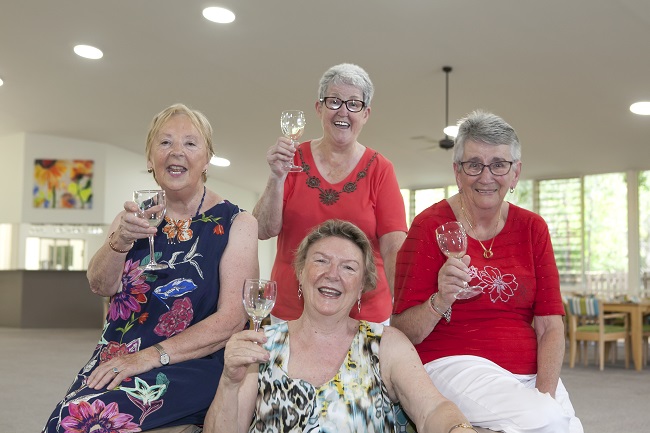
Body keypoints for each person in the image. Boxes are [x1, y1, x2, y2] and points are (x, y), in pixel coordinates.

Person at [42, 103, 259, 432]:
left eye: (190, 143)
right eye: (165, 142)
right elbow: (100, 285)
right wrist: (120, 240)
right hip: (117, 355)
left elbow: (231, 320)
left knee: (84, 424)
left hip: (188, 362)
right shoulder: (131, 218)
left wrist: (149, 356)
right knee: (63, 420)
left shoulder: (236, 223)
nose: (176, 152)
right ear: (149, 159)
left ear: (207, 159)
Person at [391, 110, 584, 433]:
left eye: (498, 164)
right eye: (474, 164)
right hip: (453, 363)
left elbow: (550, 326)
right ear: (457, 171)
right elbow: (402, 330)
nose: (486, 176)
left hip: (527, 372)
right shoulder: (428, 226)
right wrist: (440, 299)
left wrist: (545, 395)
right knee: (551, 423)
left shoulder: (533, 228)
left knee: (562, 425)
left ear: (515, 172)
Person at [203, 219, 478, 433]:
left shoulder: (386, 344)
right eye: (321, 261)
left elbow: (432, 409)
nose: (332, 274)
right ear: (300, 272)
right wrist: (228, 383)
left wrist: (459, 428)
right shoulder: (260, 345)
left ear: (362, 287)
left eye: (348, 268)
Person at [253, 63, 406, 324]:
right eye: (334, 101)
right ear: (319, 108)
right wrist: (276, 177)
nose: (343, 111)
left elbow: (394, 248)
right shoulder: (292, 159)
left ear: (366, 113)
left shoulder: (381, 169)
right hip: (292, 312)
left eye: (354, 104)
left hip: (364, 315)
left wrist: (403, 307)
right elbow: (261, 229)